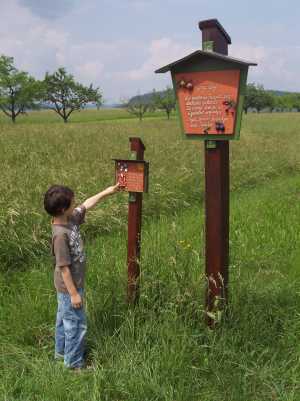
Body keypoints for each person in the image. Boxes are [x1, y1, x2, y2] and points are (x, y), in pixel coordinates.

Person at [43, 183, 119, 370]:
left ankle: (61, 354)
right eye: (72, 201)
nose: (75, 203)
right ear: (62, 209)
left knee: (63, 320)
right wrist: (74, 293)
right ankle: (74, 364)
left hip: (67, 288)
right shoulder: (60, 235)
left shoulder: (70, 219)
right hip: (70, 287)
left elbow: (87, 204)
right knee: (76, 325)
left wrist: (107, 191)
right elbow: (63, 267)